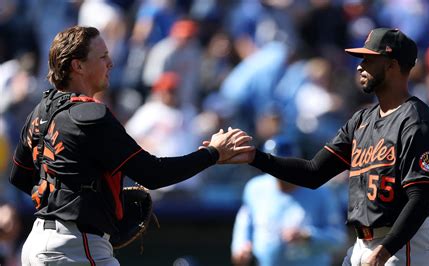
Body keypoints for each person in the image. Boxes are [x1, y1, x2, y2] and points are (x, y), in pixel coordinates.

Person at [9, 25, 253, 265]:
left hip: (37, 244)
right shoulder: (90, 114)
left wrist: (74, 198)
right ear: (78, 65)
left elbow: (20, 177)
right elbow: (153, 174)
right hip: (76, 246)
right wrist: (213, 154)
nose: (110, 63)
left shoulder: (38, 113)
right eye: (102, 56)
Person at [220, 28, 429, 266]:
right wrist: (255, 157)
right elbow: (313, 172)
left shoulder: (417, 122)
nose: (360, 66)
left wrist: (383, 251)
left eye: (369, 59)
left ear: (391, 65)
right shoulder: (361, 120)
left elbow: (420, 200)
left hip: (403, 245)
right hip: (364, 243)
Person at [231, 136, 347, 266]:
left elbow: (338, 239)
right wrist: (240, 247)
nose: (281, 168)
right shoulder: (255, 188)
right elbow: (245, 223)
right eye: (275, 162)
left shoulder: (322, 192)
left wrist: (307, 236)